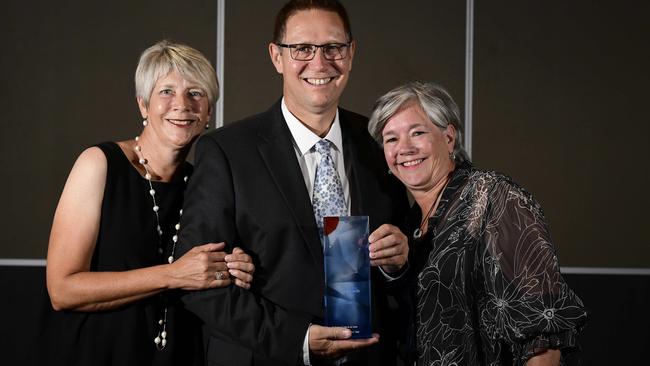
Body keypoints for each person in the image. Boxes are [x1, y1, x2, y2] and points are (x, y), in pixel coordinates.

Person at [175, 0, 409, 365]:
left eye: (334, 47)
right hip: (266, 356)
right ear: (276, 56)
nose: (319, 63)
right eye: (302, 48)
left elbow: (405, 274)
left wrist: (398, 264)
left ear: (351, 54)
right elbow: (198, 286)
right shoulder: (227, 152)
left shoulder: (380, 144)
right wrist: (298, 339)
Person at [44, 40, 255, 366]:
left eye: (196, 93)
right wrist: (173, 274)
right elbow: (62, 290)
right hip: (97, 353)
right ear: (143, 105)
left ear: (209, 111)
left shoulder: (207, 185)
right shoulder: (99, 164)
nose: (182, 104)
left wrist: (235, 267)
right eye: (167, 91)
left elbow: (206, 275)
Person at [367, 81, 589, 366]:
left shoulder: (493, 198)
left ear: (449, 138)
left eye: (417, 132)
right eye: (391, 139)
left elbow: (542, 330)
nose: (405, 148)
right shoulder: (410, 224)